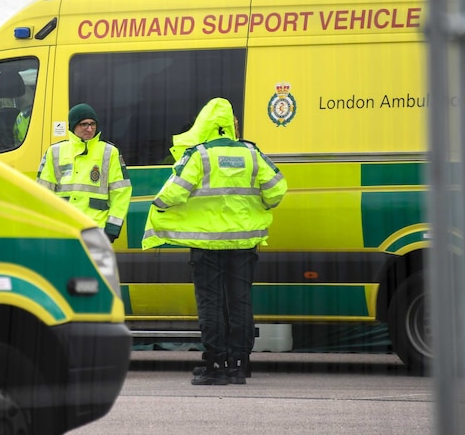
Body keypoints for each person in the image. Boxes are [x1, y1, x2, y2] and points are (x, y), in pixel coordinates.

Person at [142, 98, 286, 386]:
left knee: (211, 303)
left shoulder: (201, 155)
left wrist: (158, 206)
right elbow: (277, 190)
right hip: (243, 245)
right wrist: (258, 206)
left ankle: (216, 365)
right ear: (231, 124)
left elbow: (173, 192)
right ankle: (239, 364)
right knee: (240, 301)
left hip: (207, 246)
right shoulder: (251, 152)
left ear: (205, 123)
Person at [37, 103, 132, 242]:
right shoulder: (55, 152)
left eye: (92, 124)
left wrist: (112, 228)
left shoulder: (109, 152)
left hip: (95, 230)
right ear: (73, 126)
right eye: (84, 124)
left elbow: (121, 193)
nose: (90, 128)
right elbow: (43, 192)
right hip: (63, 230)